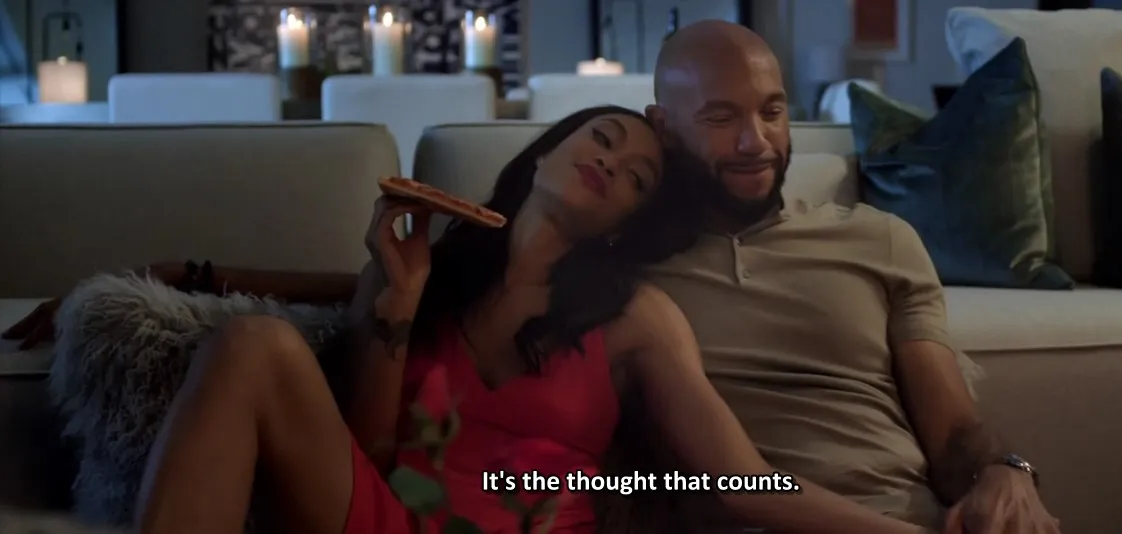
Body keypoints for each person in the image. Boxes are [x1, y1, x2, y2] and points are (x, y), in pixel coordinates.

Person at [4, 106, 935, 534]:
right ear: (545, 154)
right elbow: (371, 449)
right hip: (385, 515)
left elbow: (739, 482)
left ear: (626, 222)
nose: (611, 163)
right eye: (601, 140)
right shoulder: (422, 270)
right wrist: (394, 308)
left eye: (636, 176)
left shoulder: (638, 317)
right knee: (251, 343)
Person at [639, 21, 1062, 534]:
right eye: (721, 117)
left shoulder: (879, 239)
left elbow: (953, 431)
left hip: (910, 515)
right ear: (662, 127)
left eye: (772, 112)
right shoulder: (627, 270)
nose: (756, 141)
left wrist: (1001, 471)